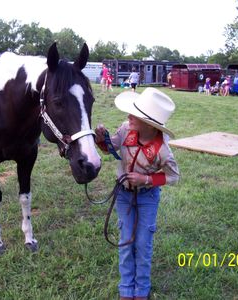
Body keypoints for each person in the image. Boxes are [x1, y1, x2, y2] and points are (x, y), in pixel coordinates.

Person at [95, 88, 180, 300]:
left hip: (147, 198)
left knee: (143, 243)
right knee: (126, 241)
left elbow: (173, 176)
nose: (128, 116)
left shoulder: (162, 150)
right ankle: (126, 288)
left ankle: (141, 289)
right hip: (123, 195)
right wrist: (101, 140)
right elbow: (111, 149)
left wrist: (147, 180)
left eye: (135, 115)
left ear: (150, 124)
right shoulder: (125, 129)